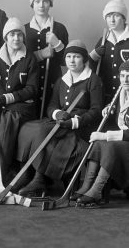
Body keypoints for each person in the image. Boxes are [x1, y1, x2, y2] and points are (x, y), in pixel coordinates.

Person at [17, 40, 103, 197]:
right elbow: (51, 106)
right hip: (61, 122)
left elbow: (96, 111)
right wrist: (57, 113)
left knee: (56, 141)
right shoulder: (61, 80)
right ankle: (28, 174)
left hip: (82, 127)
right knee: (31, 129)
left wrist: (76, 121)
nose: (71, 60)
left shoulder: (93, 80)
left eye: (76, 56)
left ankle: (40, 180)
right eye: (69, 56)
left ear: (84, 59)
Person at [0, 17, 39, 193]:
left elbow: (32, 89)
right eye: (12, 34)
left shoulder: (30, 58)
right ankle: (5, 167)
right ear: (6, 38)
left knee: (6, 125)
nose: (16, 38)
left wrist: (6, 98)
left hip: (21, 107)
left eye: (19, 34)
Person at [73, 61, 129, 206]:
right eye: (122, 76)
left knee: (110, 146)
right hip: (123, 141)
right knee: (98, 143)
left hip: (126, 142)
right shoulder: (122, 92)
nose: (125, 80)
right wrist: (109, 108)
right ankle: (87, 185)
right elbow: (121, 116)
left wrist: (106, 135)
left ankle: (97, 190)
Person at [25, 0, 68, 117]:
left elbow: (65, 62)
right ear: (32, 4)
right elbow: (21, 61)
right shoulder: (24, 30)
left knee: (51, 112)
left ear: (50, 4)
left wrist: (57, 44)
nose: (41, 5)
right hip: (31, 80)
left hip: (53, 79)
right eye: (37, 1)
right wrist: (41, 54)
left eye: (45, 1)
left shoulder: (59, 28)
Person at [89, 0, 129, 104]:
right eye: (108, 16)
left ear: (124, 18)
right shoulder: (103, 40)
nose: (112, 20)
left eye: (116, 15)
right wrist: (93, 56)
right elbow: (91, 68)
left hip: (126, 92)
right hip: (106, 92)